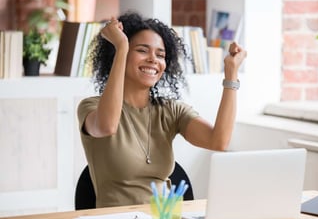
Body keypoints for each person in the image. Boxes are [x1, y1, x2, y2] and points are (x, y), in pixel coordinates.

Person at [77, 11, 247, 208]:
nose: (153, 59)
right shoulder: (91, 107)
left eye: (160, 54)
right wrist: (122, 47)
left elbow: (219, 141)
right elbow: (107, 126)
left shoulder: (170, 110)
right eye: (142, 50)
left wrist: (231, 74)